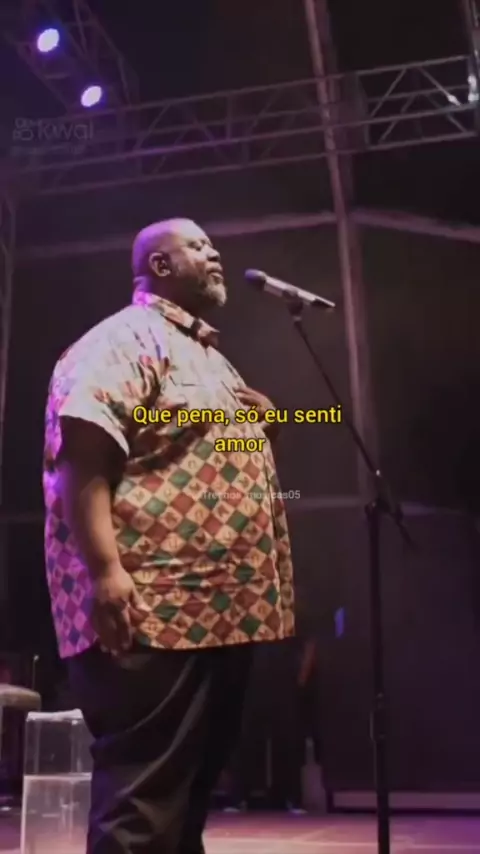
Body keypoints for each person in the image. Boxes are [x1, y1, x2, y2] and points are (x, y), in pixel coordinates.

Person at [43, 218, 295, 854]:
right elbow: (84, 450)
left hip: (217, 614)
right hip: (152, 609)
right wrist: (105, 572)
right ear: (159, 265)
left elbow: (181, 446)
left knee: (183, 809)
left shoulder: (208, 357)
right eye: (198, 246)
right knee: (142, 807)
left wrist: (255, 426)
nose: (215, 253)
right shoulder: (122, 341)